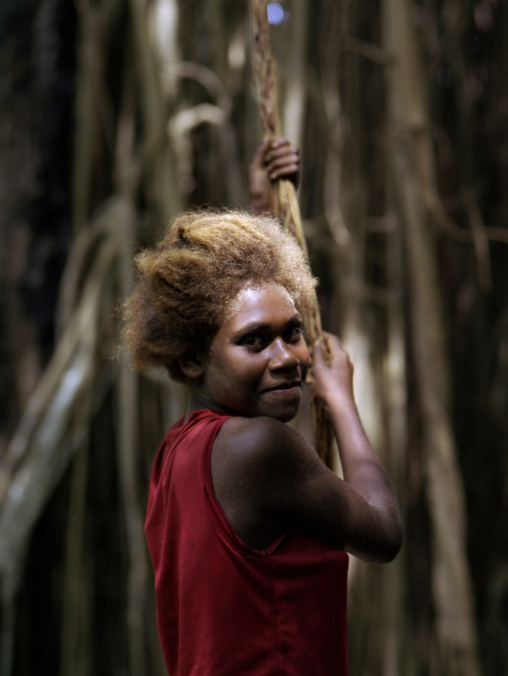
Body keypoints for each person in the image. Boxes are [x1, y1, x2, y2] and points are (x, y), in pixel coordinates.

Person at [123, 139, 402, 676]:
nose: (289, 358)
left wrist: (262, 209)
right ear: (191, 361)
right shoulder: (260, 447)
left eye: (293, 332)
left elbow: (240, 302)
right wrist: (341, 401)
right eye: (256, 342)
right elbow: (383, 533)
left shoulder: (177, 453)